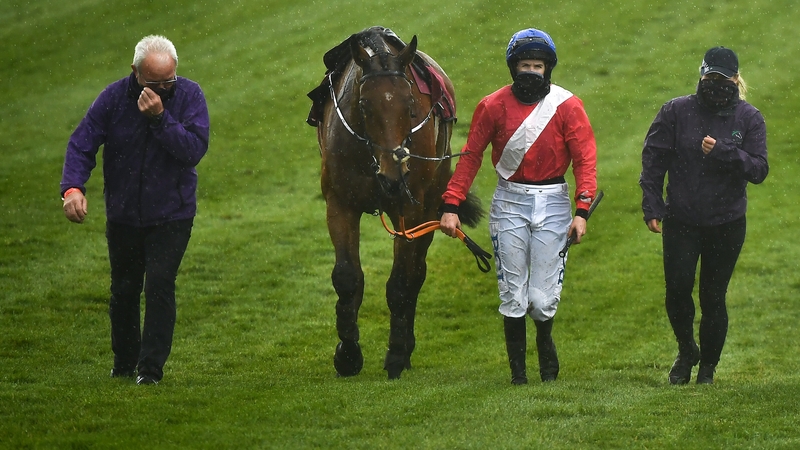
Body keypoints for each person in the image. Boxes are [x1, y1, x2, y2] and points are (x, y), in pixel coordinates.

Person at [440, 28, 597, 385]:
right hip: (509, 202)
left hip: (554, 204)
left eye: (537, 66)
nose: (530, 72)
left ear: (548, 69)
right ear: (514, 68)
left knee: (541, 300)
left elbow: (584, 159)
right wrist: (451, 203)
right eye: (524, 65)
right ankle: (519, 375)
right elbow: (470, 157)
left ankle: (544, 340)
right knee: (513, 293)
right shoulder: (492, 105)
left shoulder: (568, 106)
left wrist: (582, 209)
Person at [60, 35, 210, 385]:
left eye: (168, 81)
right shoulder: (113, 99)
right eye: (152, 82)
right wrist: (72, 188)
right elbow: (82, 143)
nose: (161, 88)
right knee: (124, 289)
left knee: (159, 284)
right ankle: (125, 363)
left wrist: (160, 119)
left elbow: (192, 150)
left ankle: (150, 370)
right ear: (135, 72)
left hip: (172, 214)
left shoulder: (189, 96)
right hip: (124, 214)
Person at [640, 46, 768, 385]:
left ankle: (707, 369)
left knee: (713, 295)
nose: (715, 85)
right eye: (710, 78)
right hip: (681, 219)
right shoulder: (675, 111)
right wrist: (652, 205)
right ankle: (687, 351)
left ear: (736, 80)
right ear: (701, 75)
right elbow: (653, 160)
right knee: (677, 290)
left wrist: (726, 152)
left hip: (727, 222)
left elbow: (759, 170)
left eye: (723, 79)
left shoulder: (749, 118)